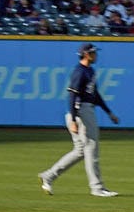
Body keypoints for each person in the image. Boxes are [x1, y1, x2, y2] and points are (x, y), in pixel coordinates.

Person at [38, 42, 119, 197]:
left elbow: (96, 95)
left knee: (80, 151)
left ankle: (48, 176)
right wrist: (74, 120)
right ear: (86, 54)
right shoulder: (80, 71)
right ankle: (97, 188)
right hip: (81, 112)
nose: (96, 55)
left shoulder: (90, 71)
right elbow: (72, 95)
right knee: (91, 148)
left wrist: (109, 112)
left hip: (83, 111)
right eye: (94, 52)